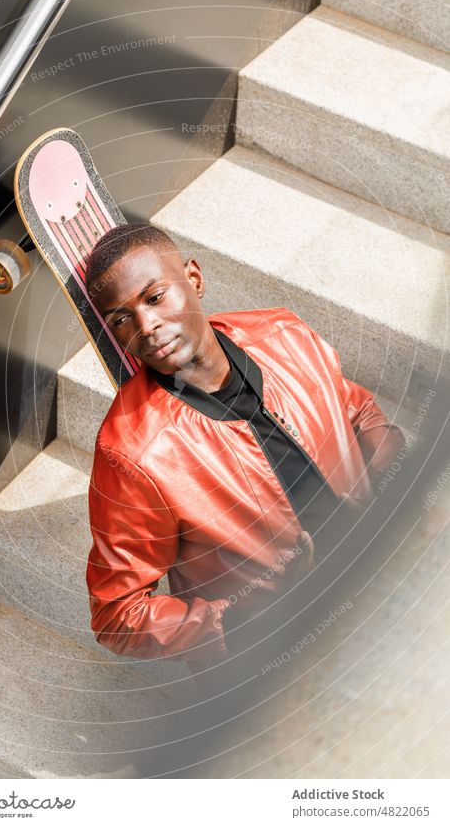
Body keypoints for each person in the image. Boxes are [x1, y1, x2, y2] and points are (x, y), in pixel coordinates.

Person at [84, 222, 404, 680]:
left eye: (155, 298)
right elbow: (117, 615)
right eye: (121, 319)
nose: (146, 326)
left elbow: (355, 410)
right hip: (287, 648)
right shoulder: (132, 453)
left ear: (193, 278)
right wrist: (237, 623)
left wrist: (393, 482)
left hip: (378, 561)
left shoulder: (283, 335)